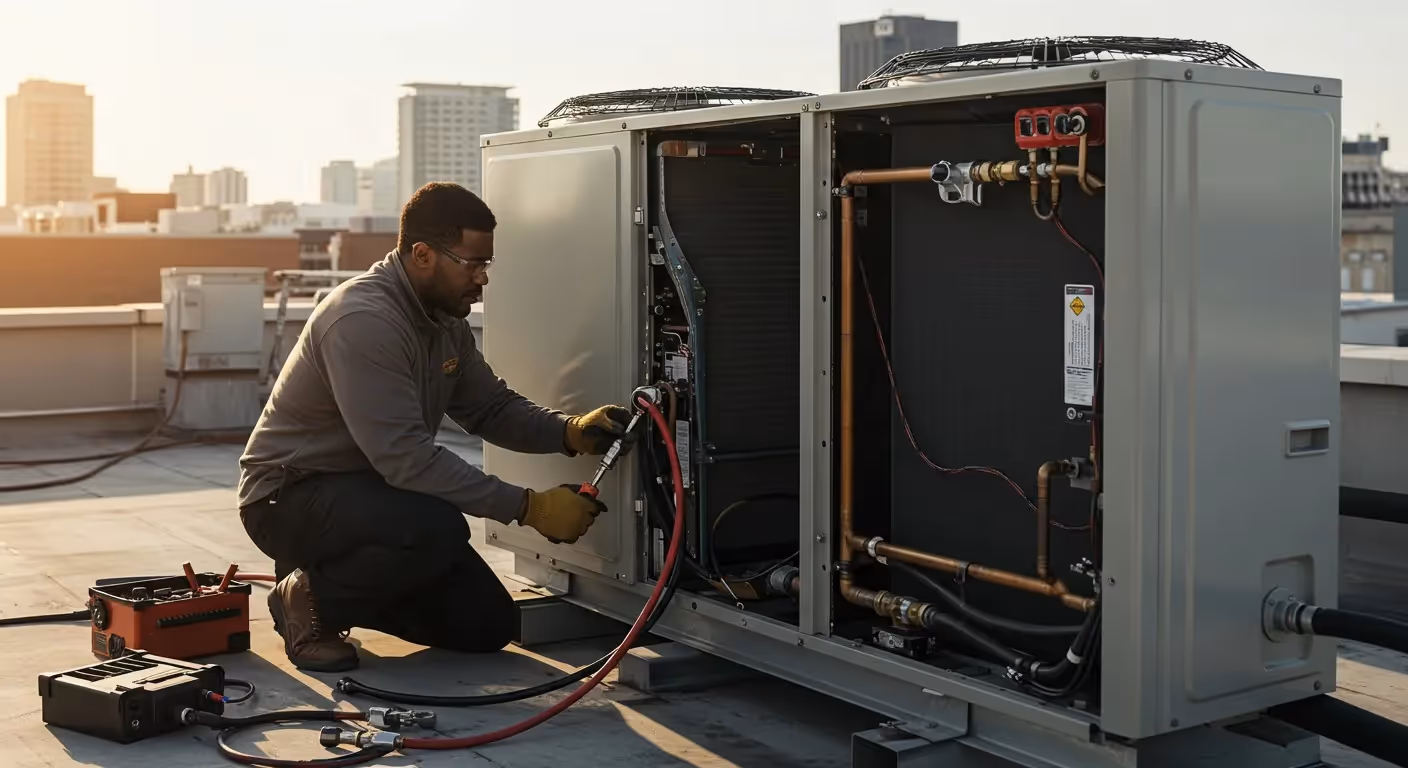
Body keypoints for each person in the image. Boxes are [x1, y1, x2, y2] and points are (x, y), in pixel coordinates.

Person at [237, 182, 632, 672]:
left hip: (370, 497)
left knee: (486, 625)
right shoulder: (363, 320)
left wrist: (568, 432)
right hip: (289, 498)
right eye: (472, 264)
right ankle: (310, 599)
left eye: (487, 264)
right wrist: (530, 509)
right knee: (436, 526)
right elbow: (404, 458)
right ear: (423, 254)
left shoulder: (444, 320)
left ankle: (332, 583)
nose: (483, 278)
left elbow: (489, 408)